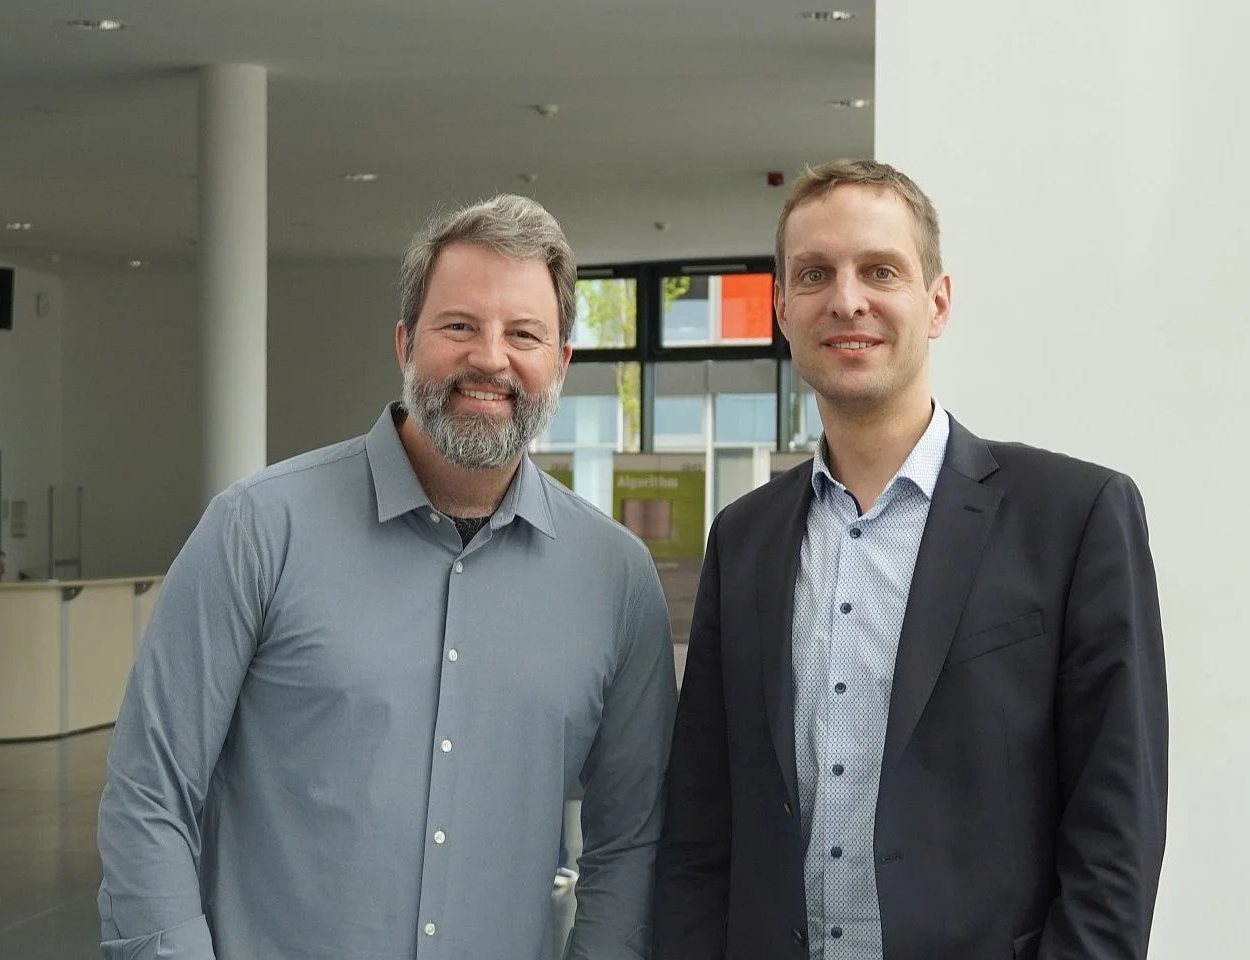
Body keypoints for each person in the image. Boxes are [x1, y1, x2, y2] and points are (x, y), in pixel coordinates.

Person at [97, 194, 677, 960]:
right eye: (459, 325)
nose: (491, 359)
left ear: (561, 363)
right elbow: (150, 796)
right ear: (406, 341)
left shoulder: (617, 578)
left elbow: (632, 839)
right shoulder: (256, 530)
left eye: (525, 334)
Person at [652, 160, 1167, 960]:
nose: (846, 299)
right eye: (815, 274)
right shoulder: (743, 539)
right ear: (783, 309)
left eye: (880, 270)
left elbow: (1116, 826)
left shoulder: (1073, 517)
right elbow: (700, 823)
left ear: (937, 302)